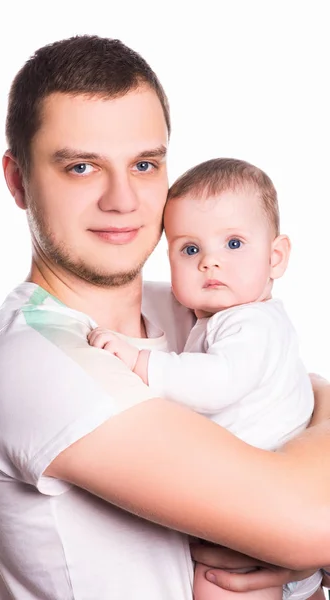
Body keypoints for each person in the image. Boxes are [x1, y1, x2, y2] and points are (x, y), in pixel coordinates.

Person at [0, 35, 330, 600]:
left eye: (145, 164)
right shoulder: (28, 361)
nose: (123, 200)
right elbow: (309, 520)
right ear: (17, 180)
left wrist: (302, 549)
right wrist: (302, 538)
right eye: (81, 167)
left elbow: (308, 394)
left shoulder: (192, 304)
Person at [87, 157, 328, 599]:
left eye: (233, 244)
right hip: (266, 514)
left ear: (276, 257)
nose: (210, 263)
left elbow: (217, 383)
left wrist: (143, 364)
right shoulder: (227, 319)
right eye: (190, 249)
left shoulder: (250, 324)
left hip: (255, 521)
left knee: (216, 583)